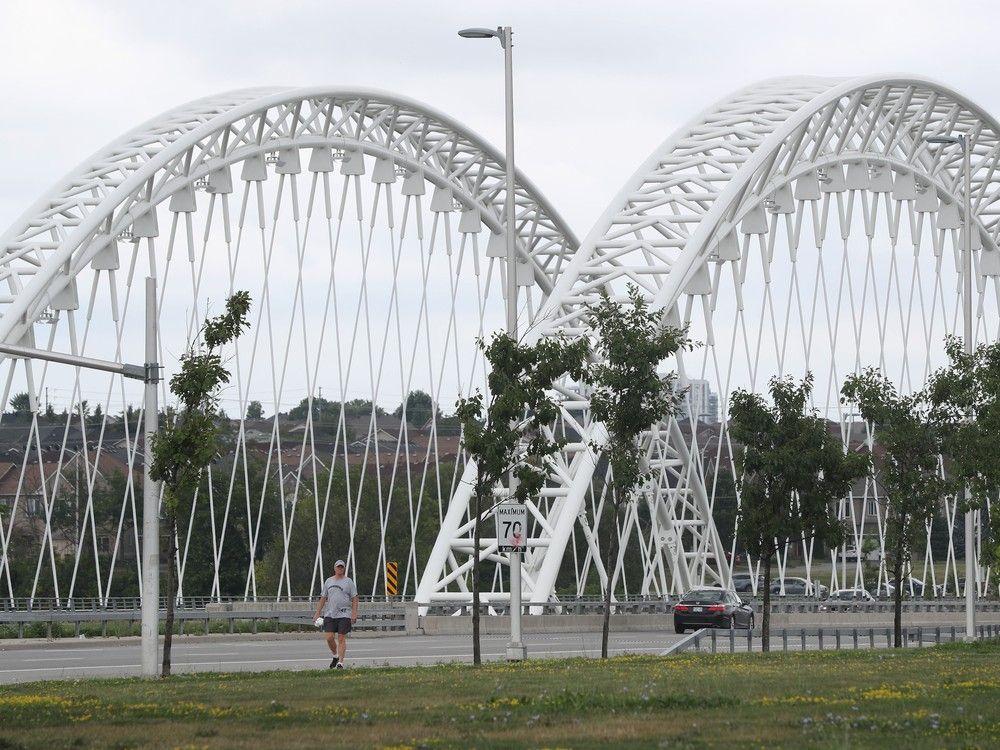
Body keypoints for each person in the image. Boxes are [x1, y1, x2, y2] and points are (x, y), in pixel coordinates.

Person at [312, 559, 358, 669]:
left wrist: (354, 613)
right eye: (338, 567)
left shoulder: (348, 582)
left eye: (342, 567)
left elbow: (355, 598)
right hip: (330, 614)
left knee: (341, 637)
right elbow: (323, 598)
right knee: (329, 637)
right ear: (335, 568)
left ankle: (340, 663)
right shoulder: (329, 581)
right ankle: (335, 656)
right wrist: (317, 613)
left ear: (344, 568)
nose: (340, 568)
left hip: (344, 614)